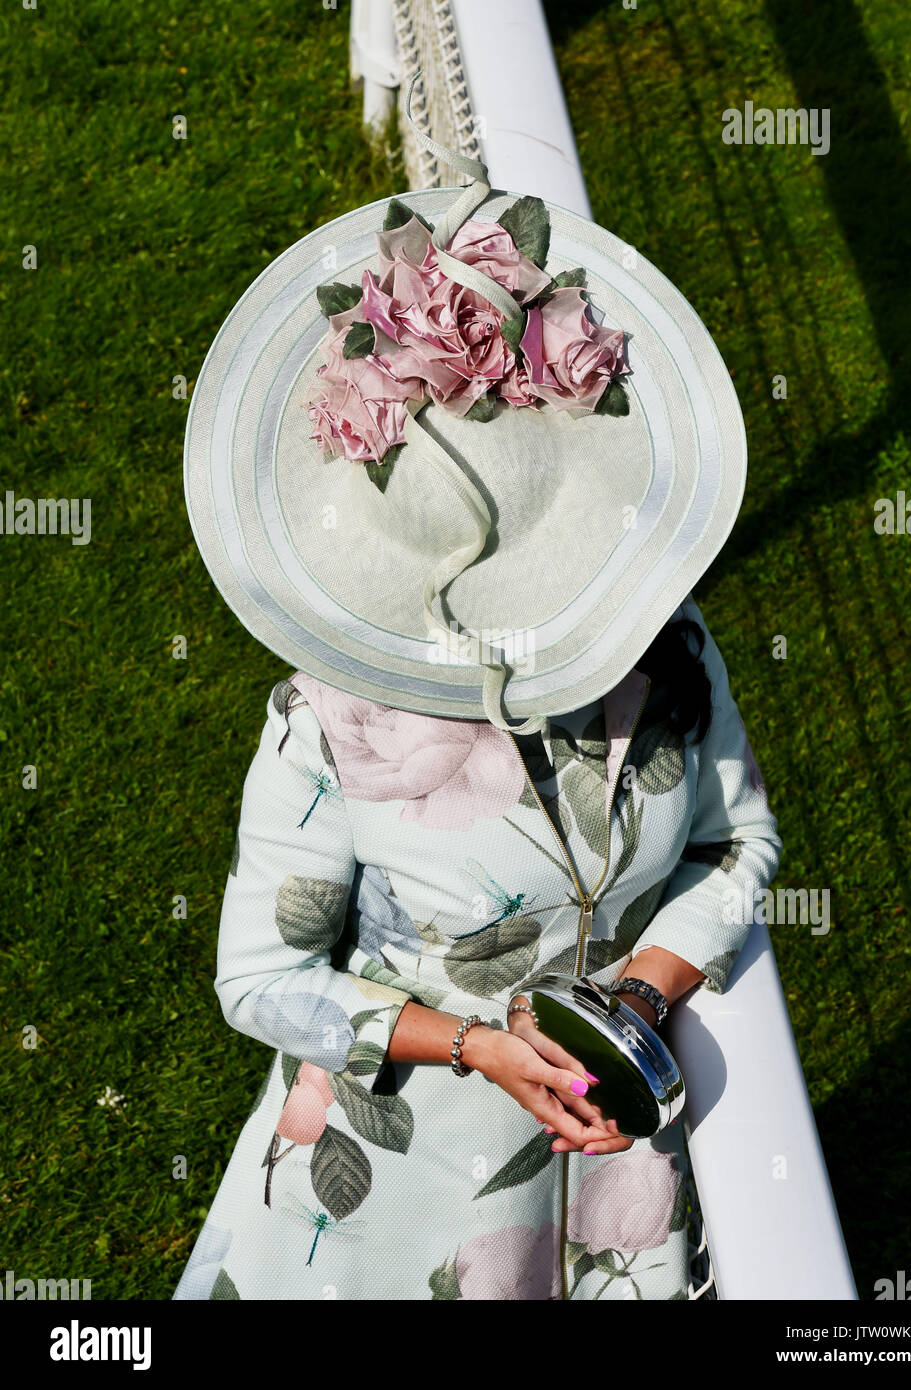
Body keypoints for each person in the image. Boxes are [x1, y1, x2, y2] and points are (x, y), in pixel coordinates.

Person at [174, 77, 781, 1299]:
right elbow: (261, 979)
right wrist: (475, 1045)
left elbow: (738, 841)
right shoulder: (324, 721)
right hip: (398, 1196)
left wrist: (637, 1001)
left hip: (611, 1180)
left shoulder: (668, 647)